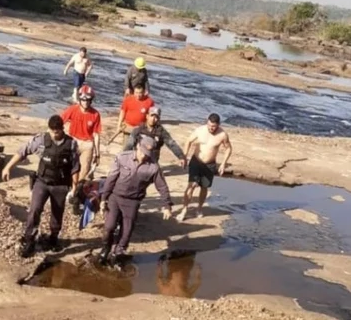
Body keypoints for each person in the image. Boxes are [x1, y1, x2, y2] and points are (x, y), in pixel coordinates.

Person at [1, 115, 82, 258]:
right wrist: (8, 167)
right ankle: (29, 240)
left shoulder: (71, 144)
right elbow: (22, 152)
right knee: (34, 210)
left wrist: (74, 188)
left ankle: (54, 238)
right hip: (42, 182)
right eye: (52, 131)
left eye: (57, 131)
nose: (54, 134)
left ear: (62, 129)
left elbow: (75, 167)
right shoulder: (40, 140)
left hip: (61, 185)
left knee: (57, 214)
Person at [97, 135, 174, 265]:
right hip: (115, 197)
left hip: (133, 201)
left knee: (127, 231)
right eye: (143, 152)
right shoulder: (122, 158)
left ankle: (118, 251)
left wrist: (167, 205)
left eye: (148, 154)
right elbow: (110, 179)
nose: (144, 156)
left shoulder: (153, 167)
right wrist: (103, 198)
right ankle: (106, 247)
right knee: (109, 226)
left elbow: (162, 186)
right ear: (138, 146)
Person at [178, 113, 233, 220]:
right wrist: (184, 156)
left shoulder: (222, 135)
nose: (211, 128)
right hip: (196, 162)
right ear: (206, 122)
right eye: (209, 125)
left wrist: (223, 163)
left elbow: (228, 149)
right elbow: (188, 141)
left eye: (213, 126)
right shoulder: (200, 130)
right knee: (192, 185)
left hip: (210, 164)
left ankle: (199, 208)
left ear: (218, 125)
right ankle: (184, 209)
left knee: (204, 187)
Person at [59, 85, 103, 182]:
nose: (85, 102)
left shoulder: (95, 114)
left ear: (91, 100)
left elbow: (96, 134)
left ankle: (77, 190)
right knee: (66, 166)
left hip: (87, 143)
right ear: (79, 99)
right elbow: (59, 122)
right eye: (83, 100)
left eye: (88, 100)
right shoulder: (72, 109)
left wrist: (97, 153)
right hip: (72, 141)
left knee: (84, 170)